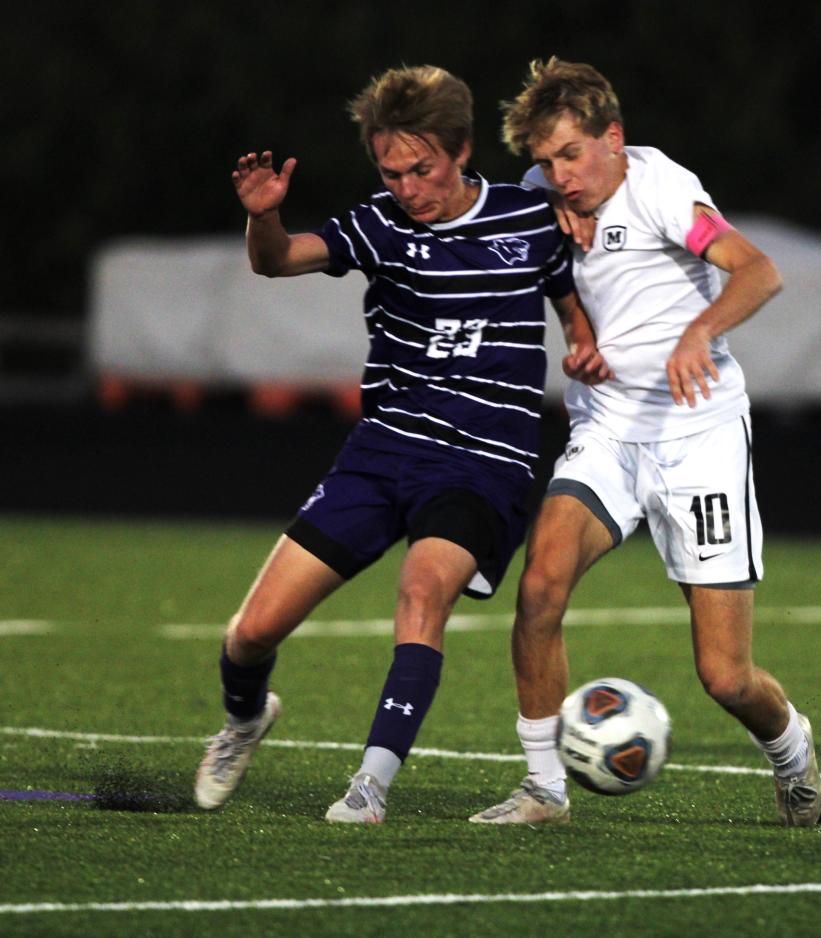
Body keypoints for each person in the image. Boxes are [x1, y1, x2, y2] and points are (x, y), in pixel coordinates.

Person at [194, 64, 609, 823]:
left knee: (422, 593)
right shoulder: (380, 224)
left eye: (423, 169)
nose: (409, 186)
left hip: (485, 463)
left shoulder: (531, 216)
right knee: (250, 634)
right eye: (393, 171)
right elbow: (277, 258)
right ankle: (245, 718)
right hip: (382, 453)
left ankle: (369, 789)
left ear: (462, 151)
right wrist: (264, 218)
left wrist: (585, 341)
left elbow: (572, 298)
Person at [470, 58, 821, 828]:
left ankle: (793, 751)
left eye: (570, 155)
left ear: (614, 139)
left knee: (725, 677)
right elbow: (523, 260)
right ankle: (543, 790)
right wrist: (578, 332)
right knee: (538, 590)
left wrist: (699, 332)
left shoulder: (662, 187)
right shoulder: (540, 201)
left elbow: (757, 272)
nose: (557, 176)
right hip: (608, 432)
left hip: (697, 436)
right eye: (544, 162)